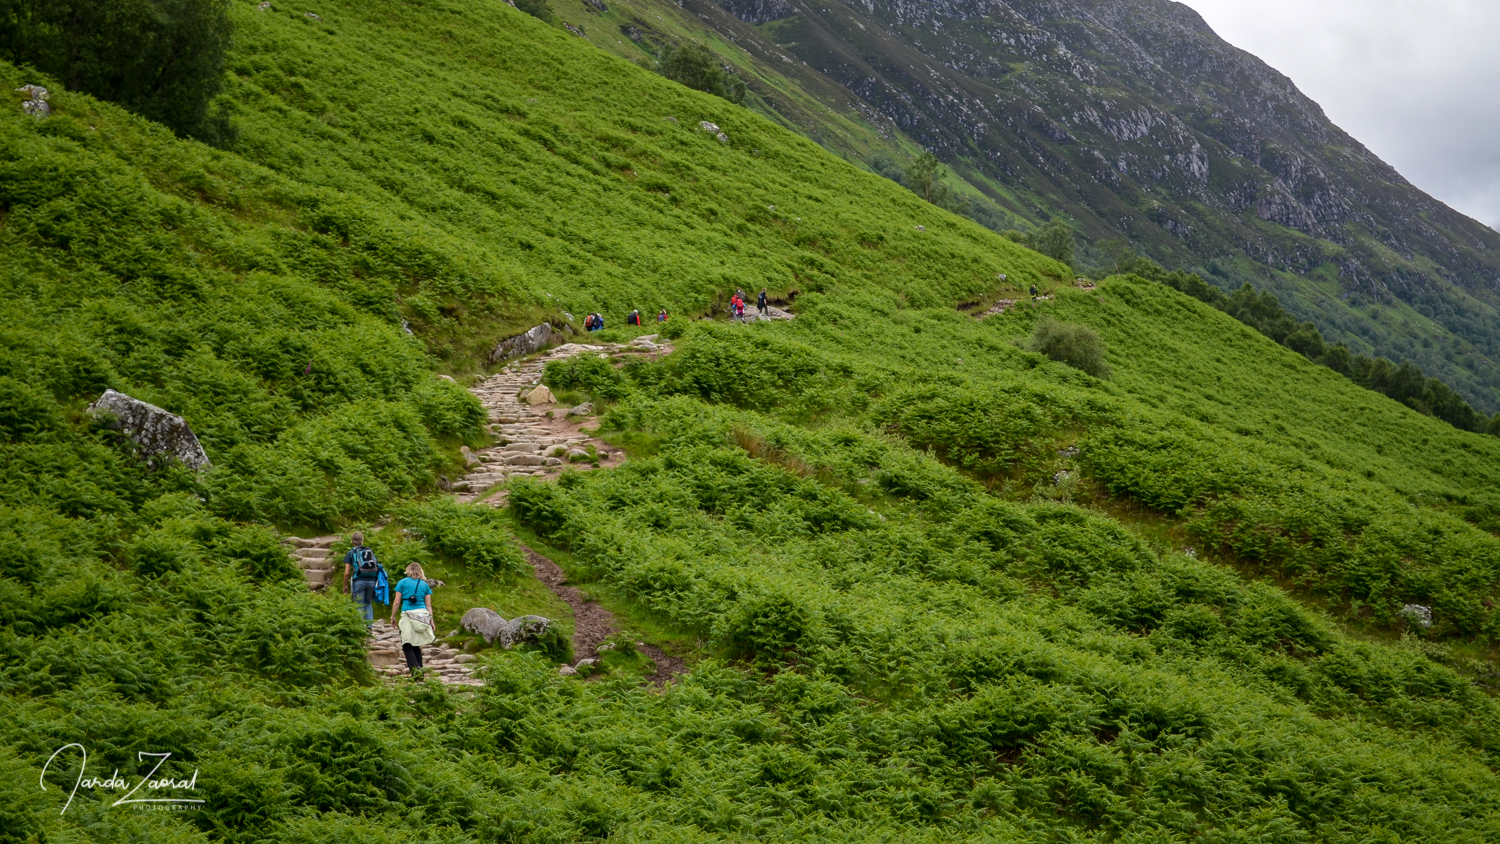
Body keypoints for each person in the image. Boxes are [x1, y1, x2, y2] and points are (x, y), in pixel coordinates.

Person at [391, 563, 436, 675]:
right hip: (422, 614)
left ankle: (415, 670)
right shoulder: (425, 585)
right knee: (416, 644)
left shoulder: (402, 582)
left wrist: (392, 617)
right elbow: (428, 605)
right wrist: (431, 620)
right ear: (421, 571)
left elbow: (397, 601)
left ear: (408, 570)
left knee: (406, 644)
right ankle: (419, 670)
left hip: (407, 614)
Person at [342, 532, 386, 627]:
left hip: (359, 581)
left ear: (352, 541)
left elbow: (346, 573)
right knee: (368, 603)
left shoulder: (351, 553)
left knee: (359, 604)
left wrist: (344, 585)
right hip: (372, 580)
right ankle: (369, 627)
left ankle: (361, 627)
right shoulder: (369, 551)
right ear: (362, 540)